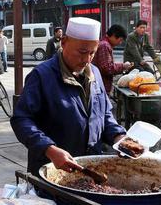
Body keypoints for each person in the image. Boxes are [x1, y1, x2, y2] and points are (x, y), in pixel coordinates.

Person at [11, 17, 126, 183]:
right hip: (51, 173)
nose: (87, 59)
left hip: (90, 171)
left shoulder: (94, 72)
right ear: (64, 42)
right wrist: (49, 149)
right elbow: (21, 119)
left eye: (92, 53)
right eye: (82, 52)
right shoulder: (42, 76)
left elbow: (104, 114)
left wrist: (118, 137)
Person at [92, 24, 132, 94]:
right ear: (114, 35)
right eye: (120, 40)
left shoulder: (105, 44)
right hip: (101, 86)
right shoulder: (105, 45)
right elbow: (107, 68)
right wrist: (123, 66)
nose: (120, 43)